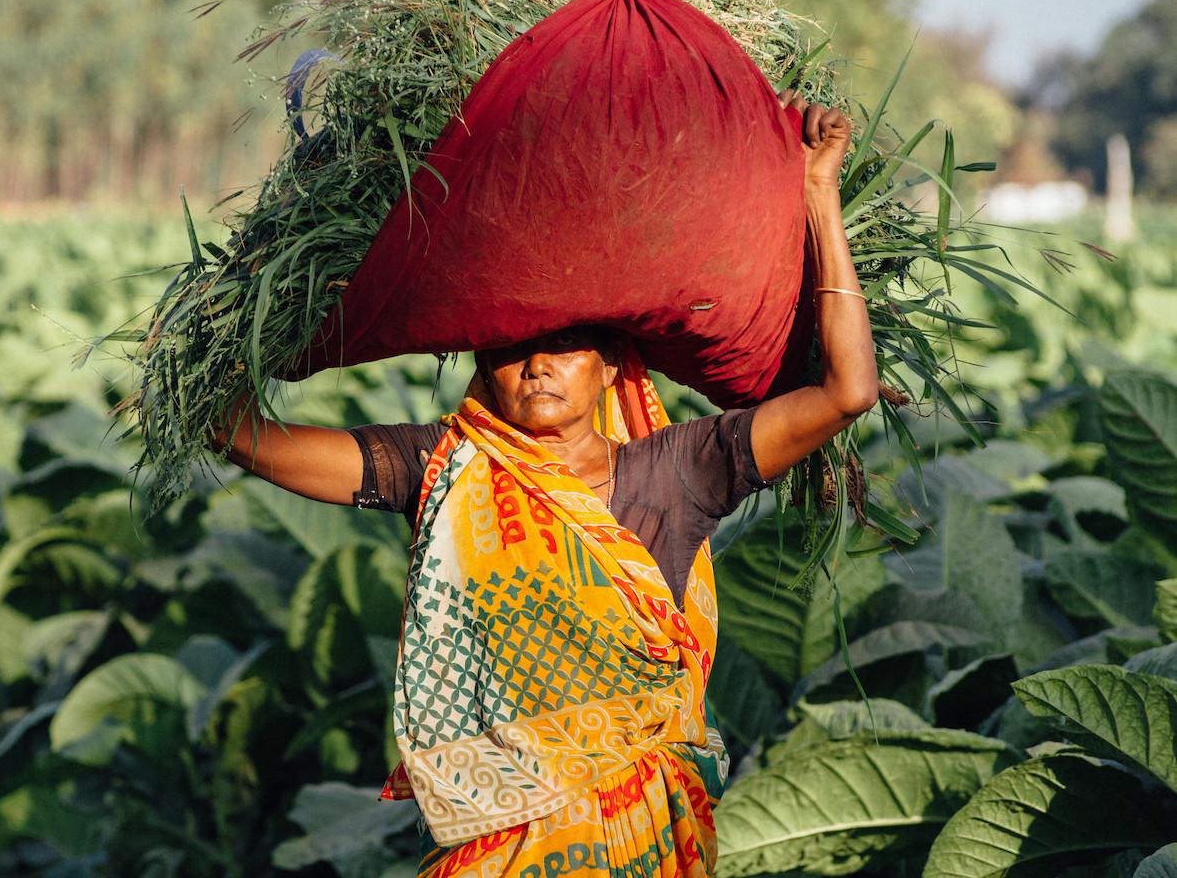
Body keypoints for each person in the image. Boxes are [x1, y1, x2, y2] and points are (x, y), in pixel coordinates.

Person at [211, 92, 876, 877]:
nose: (535, 364)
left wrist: (817, 196)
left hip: (647, 845)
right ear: (478, 364)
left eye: (562, 343)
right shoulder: (450, 465)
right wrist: (236, 317)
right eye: (508, 345)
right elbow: (250, 438)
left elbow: (846, 392)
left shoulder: (675, 471)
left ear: (607, 362)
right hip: (503, 851)